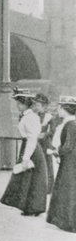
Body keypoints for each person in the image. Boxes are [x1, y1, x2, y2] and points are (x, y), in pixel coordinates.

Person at [0, 88, 47, 216]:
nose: (17, 105)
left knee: (32, 178)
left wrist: (26, 157)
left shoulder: (30, 117)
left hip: (31, 148)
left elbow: (32, 138)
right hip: (29, 147)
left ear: (25, 104)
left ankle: (33, 207)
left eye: (19, 103)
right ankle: (29, 206)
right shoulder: (27, 116)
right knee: (28, 178)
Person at [46, 95, 76, 233]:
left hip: (70, 162)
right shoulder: (71, 123)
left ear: (66, 109)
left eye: (60, 107)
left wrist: (56, 152)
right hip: (71, 160)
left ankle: (68, 221)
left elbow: (68, 146)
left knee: (68, 190)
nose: (58, 110)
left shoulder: (70, 124)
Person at [32, 93, 55, 194]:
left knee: (47, 165)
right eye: (35, 105)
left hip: (45, 143)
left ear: (44, 106)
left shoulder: (49, 117)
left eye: (38, 105)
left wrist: (45, 134)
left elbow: (53, 131)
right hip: (36, 142)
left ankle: (48, 188)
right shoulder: (33, 115)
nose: (36, 107)